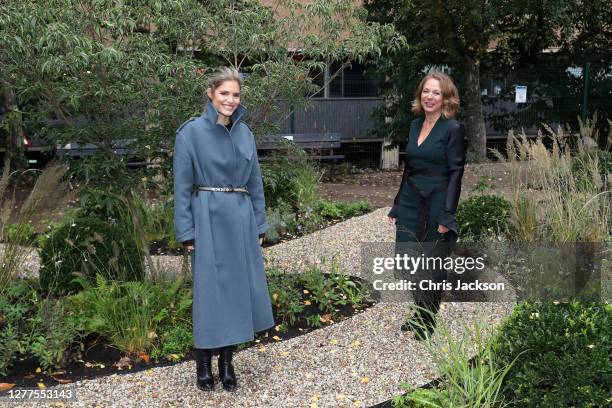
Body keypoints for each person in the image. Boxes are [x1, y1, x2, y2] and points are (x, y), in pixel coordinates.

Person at [173, 67, 274, 391]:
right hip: (208, 218)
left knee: (236, 292)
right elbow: (182, 188)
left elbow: (255, 183)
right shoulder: (190, 133)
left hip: (241, 222)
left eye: (236, 94)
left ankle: (227, 362)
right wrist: (186, 231)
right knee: (209, 293)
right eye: (224, 94)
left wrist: (260, 223)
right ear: (211, 94)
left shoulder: (246, 134)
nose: (230, 100)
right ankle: (203, 362)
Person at [387, 71, 466, 340]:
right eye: (426, 91)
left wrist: (448, 213)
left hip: (437, 200)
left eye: (436, 92)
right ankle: (419, 312)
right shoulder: (414, 125)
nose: (429, 97)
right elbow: (408, 168)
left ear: (446, 98)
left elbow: (456, 172)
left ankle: (427, 321)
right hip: (411, 199)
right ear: (420, 95)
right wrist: (397, 204)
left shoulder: (453, 128)